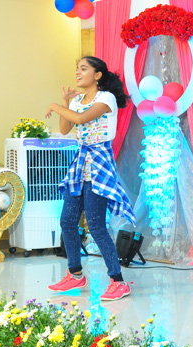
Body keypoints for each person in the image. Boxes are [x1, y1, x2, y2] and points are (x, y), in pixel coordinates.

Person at [45, 56, 134, 301]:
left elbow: (82, 119)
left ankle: (118, 281)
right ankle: (75, 275)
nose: (78, 72)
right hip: (80, 163)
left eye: (84, 68)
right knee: (67, 221)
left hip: (99, 162)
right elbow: (66, 128)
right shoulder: (75, 101)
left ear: (97, 75)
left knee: (95, 225)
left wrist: (54, 106)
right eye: (77, 69)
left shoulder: (106, 98)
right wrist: (65, 102)